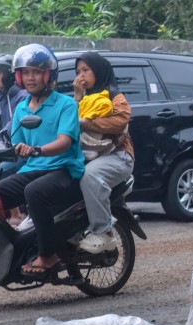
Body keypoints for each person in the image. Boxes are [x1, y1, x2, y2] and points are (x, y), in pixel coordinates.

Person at [0, 44, 85, 277]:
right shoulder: (22, 109)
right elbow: (16, 144)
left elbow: (64, 142)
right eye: (26, 72)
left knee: (34, 192)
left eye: (36, 72)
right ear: (19, 76)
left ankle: (48, 254)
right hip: (34, 168)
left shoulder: (66, 104)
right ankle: (12, 247)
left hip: (65, 169)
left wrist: (36, 150)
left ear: (47, 76)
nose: (30, 77)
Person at [71, 51, 135, 255]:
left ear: (98, 71)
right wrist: (77, 98)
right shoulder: (88, 99)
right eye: (78, 71)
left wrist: (88, 123)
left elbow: (120, 121)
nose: (81, 75)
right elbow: (69, 123)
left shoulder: (114, 96)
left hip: (119, 156)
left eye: (86, 70)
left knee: (90, 176)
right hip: (92, 155)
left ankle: (104, 232)